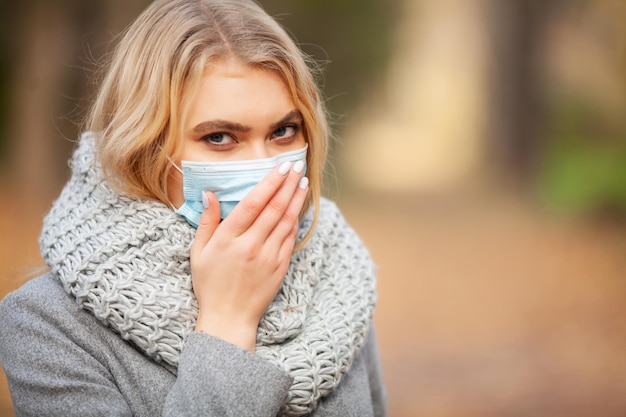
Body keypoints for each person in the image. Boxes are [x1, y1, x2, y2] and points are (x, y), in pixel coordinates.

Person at [0, 0, 386, 416]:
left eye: (283, 131)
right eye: (220, 137)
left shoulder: (332, 272)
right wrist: (227, 323)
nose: (262, 170)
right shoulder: (46, 324)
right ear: (144, 148)